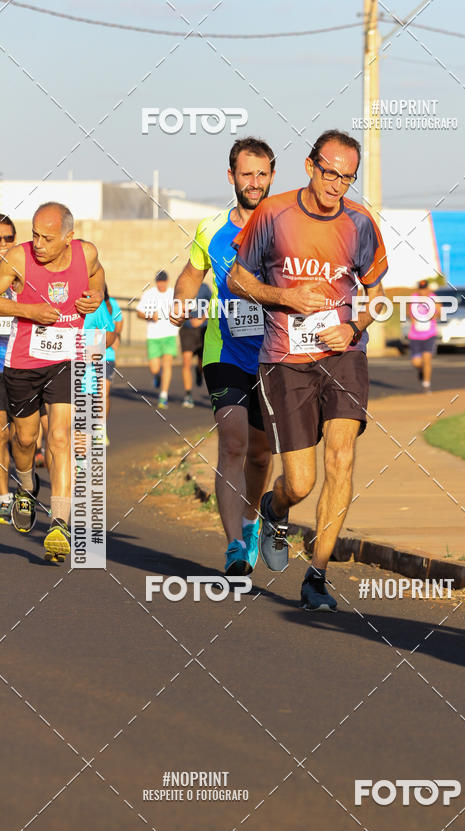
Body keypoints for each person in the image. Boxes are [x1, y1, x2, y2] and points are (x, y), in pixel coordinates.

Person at [228, 128, 388, 611]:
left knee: (341, 459)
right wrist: (286, 297)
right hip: (285, 361)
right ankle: (275, 511)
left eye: (348, 177)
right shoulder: (274, 214)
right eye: (330, 173)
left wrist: (356, 325)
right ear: (310, 166)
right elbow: (238, 279)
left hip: (343, 355)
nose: (337, 184)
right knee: (301, 481)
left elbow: (379, 296)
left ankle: (316, 575)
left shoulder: (360, 223)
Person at [171, 137, 275, 575]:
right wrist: (181, 299)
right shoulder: (210, 228)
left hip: (274, 353)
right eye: (246, 174)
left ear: (272, 176)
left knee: (261, 453)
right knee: (233, 442)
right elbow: (192, 273)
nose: (254, 183)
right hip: (224, 349)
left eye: (262, 174)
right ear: (231, 176)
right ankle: (234, 545)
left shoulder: (286, 224)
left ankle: (251, 521)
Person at [0, 201, 104, 561]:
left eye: (47, 238)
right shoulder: (18, 258)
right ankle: (26, 485)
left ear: (69, 238)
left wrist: (97, 296)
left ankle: (59, 521)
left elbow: (97, 274)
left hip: (66, 356)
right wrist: (28, 310)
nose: (38, 244)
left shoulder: (85, 253)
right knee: (25, 439)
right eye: (35, 236)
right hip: (24, 362)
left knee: (60, 436)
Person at [84, 285, 122, 444]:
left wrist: (114, 337)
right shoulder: (84, 303)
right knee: (85, 397)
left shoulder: (112, 304)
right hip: (85, 358)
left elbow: (117, 325)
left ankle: (100, 427)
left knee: (103, 393)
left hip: (107, 356)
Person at [137, 271, 178, 409]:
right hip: (153, 336)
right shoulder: (149, 294)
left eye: (163, 281)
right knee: (154, 368)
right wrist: (149, 316)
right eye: (159, 281)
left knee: (167, 365)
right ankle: (157, 376)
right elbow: (139, 312)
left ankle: (163, 396)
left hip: (170, 335)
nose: (161, 284)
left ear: (167, 281)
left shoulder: (174, 293)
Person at [0, 214, 16, 523]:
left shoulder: (24, 273)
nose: (3, 245)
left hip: (29, 362)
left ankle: (24, 477)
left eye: (9, 238)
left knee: (26, 437)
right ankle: (3, 495)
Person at [179, 281, 211, 408]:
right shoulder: (183, 286)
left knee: (202, 362)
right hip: (187, 330)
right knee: (186, 361)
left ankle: (199, 372)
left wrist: (201, 319)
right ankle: (188, 395)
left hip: (203, 330)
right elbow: (177, 304)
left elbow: (213, 304)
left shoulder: (204, 288)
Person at [407, 278, 440, 392]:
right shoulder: (414, 298)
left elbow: (439, 312)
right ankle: (421, 371)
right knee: (416, 362)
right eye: (421, 289)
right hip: (415, 335)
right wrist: (412, 319)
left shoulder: (433, 298)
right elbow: (409, 312)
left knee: (427, 358)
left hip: (429, 334)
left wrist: (434, 314)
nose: (422, 292)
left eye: (424, 289)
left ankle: (426, 385)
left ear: (428, 289)